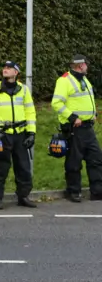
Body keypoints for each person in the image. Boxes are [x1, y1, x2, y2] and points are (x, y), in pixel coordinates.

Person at [0, 61, 37, 210]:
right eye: (4, 67)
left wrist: (31, 133)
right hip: (2, 135)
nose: (5, 70)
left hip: (20, 134)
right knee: (0, 167)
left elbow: (30, 112)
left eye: (9, 68)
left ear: (16, 72)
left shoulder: (23, 90)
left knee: (23, 167)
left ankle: (23, 196)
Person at [51, 54, 102, 202]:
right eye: (86, 64)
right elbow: (57, 103)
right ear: (81, 66)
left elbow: (85, 100)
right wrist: (73, 118)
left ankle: (97, 191)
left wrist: (94, 113)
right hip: (74, 128)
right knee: (74, 161)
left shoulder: (84, 79)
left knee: (96, 158)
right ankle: (73, 191)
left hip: (87, 127)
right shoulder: (64, 81)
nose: (87, 67)